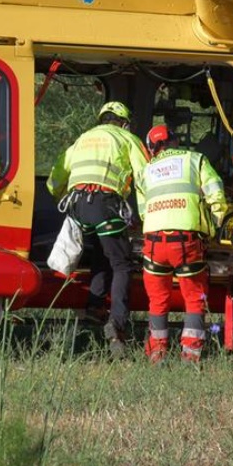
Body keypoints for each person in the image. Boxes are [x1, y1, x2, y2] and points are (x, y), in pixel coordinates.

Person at [47, 100, 148, 354]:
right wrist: (146, 217)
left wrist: (64, 199)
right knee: (122, 263)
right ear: (123, 122)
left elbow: (53, 181)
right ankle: (117, 324)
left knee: (103, 255)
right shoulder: (127, 138)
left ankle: (94, 309)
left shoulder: (82, 139)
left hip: (78, 207)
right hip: (105, 204)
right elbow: (146, 178)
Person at [138, 123, 229, 363]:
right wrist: (215, 225)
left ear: (152, 148)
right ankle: (191, 355)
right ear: (175, 142)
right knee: (195, 297)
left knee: (158, 299)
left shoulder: (145, 170)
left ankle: (157, 354)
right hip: (186, 242)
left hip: (155, 243)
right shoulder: (195, 159)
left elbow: (142, 212)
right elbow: (216, 194)